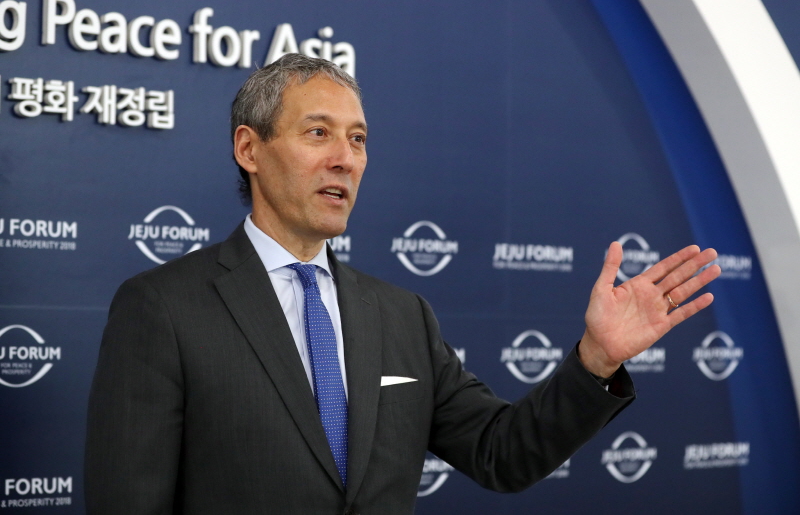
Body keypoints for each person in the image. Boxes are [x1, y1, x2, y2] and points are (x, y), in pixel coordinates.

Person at [85, 53, 720, 514]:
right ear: (249, 149)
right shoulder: (163, 307)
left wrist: (596, 360)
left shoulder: (401, 315)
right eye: (318, 133)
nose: (345, 159)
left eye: (358, 139)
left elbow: (503, 454)